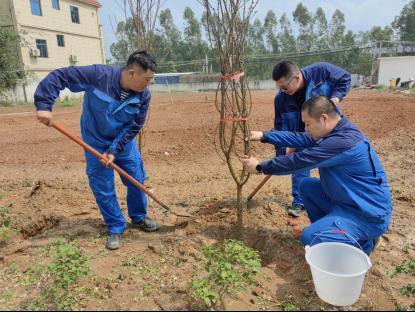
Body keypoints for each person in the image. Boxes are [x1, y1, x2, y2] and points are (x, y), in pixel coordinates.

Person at [34, 49, 160, 250]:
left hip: (122, 144)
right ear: (132, 73)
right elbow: (61, 76)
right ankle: (115, 227)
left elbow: (135, 126)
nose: (148, 84)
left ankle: (139, 217)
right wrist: (44, 104)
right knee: (103, 188)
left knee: (136, 180)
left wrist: (114, 150)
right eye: (147, 79)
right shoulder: (98, 75)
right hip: (95, 142)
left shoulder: (143, 95)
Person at [242, 96, 392, 255]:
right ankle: (332, 232)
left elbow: (298, 161)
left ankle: (366, 244)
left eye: (308, 124)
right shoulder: (333, 132)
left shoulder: (342, 142)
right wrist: (264, 135)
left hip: (366, 214)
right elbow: (299, 137)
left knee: (310, 237)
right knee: (306, 186)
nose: (306, 129)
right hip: (347, 202)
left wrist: (260, 167)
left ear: (324, 118)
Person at [272, 60, 351, 217]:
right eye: (279, 87)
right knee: (299, 164)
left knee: (332, 165)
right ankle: (299, 202)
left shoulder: (321, 72)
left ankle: (340, 201)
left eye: (284, 86)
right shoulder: (281, 99)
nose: (282, 90)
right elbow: (280, 127)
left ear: (296, 77)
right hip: (301, 135)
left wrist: (335, 98)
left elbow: (345, 78)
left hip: (328, 130)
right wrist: (282, 152)